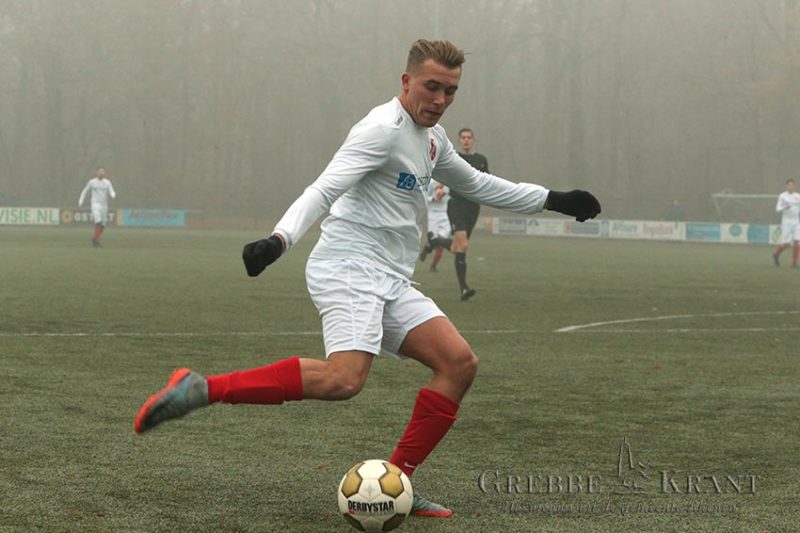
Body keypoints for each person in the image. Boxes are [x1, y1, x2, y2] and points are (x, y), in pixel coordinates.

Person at [133, 39, 600, 518]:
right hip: (348, 266)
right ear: (406, 81)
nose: (440, 99)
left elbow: (477, 184)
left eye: (450, 91)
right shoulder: (380, 131)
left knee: (458, 364)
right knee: (343, 380)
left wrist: (554, 199)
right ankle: (201, 389)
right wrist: (279, 240)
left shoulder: (433, 138)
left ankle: (397, 483)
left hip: (390, 278)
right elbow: (323, 189)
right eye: (431, 87)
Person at [448, 128, 488, 300]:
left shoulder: (481, 160)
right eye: (463, 138)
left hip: (473, 207)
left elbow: (487, 181)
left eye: (469, 138)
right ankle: (464, 288)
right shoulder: (454, 158)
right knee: (463, 245)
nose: (466, 140)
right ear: (459, 140)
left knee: (456, 247)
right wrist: (440, 187)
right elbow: (443, 174)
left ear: (473, 140)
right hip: (456, 205)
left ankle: (436, 242)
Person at [418, 179, 452, 272]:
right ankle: (427, 248)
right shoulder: (431, 182)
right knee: (433, 238)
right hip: (432, 213)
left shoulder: (450, 182)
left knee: (442, 242)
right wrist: (433, 199)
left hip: (445, 213)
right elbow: (423, 197)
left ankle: (433, 266)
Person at [78, 167, 116, 247]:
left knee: (103, 225)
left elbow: (111, 190)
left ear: (105, 173)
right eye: (99, 172)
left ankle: (95, 238)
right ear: (96, 173)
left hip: (104, 205)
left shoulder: (107, 182)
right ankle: (97, 241)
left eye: (103, 172)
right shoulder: (92, 182)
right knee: (98, 221)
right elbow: (85, 191)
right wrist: (81, 200)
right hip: (95, 204)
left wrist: (113, 194)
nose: (101, 173)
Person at [772, 178, 800, 267]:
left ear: (795, 186)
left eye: (792, 185)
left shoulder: (798, 196)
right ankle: (776, 254)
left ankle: (794, 263)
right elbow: (777, 209)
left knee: (797, 241)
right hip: (787, 221)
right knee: (786, 243)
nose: (791, 187)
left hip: (796, 221)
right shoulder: (782, 196)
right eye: (789, 185)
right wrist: (784, 208)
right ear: (786, 186)